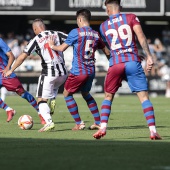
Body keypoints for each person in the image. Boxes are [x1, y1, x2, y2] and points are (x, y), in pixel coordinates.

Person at [92, 0, 162, 140]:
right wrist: (148, 55)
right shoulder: (131, 17)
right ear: (121, 7)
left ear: (107, 10)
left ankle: (103, 127)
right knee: (144, 98)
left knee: (108, 96)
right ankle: (153, 131)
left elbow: (115, 46)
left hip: (115, 63)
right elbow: (140, 36)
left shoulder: (103, 26)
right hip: (132, 62)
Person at [48, 9, 110, 130]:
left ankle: (79, 123)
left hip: (78, 71)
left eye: (77, 20)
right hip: (91, 70)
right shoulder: (96, 34)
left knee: (67, 94)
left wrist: (51, 46)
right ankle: (98, 122)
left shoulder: (75, 32)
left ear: (80, 19)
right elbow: (107, 52)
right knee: (86, 93)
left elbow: (61, 48)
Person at [5, 18, 68, 132]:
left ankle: (49, 122)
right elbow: (72, 39)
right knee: (52, 87)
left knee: (40, 100)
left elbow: (23, 56)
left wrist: (11, 69)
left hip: (49, 73)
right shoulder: (57, 34)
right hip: (63, 73)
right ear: (44, 26)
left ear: (35, 29)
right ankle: (53, 96)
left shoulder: (36, 39)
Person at [0, 37, 40, 123]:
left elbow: (11, 56)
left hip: (4, 72)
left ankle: (40, 112)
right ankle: (8, 110)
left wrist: (7, 68)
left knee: (22, 93)